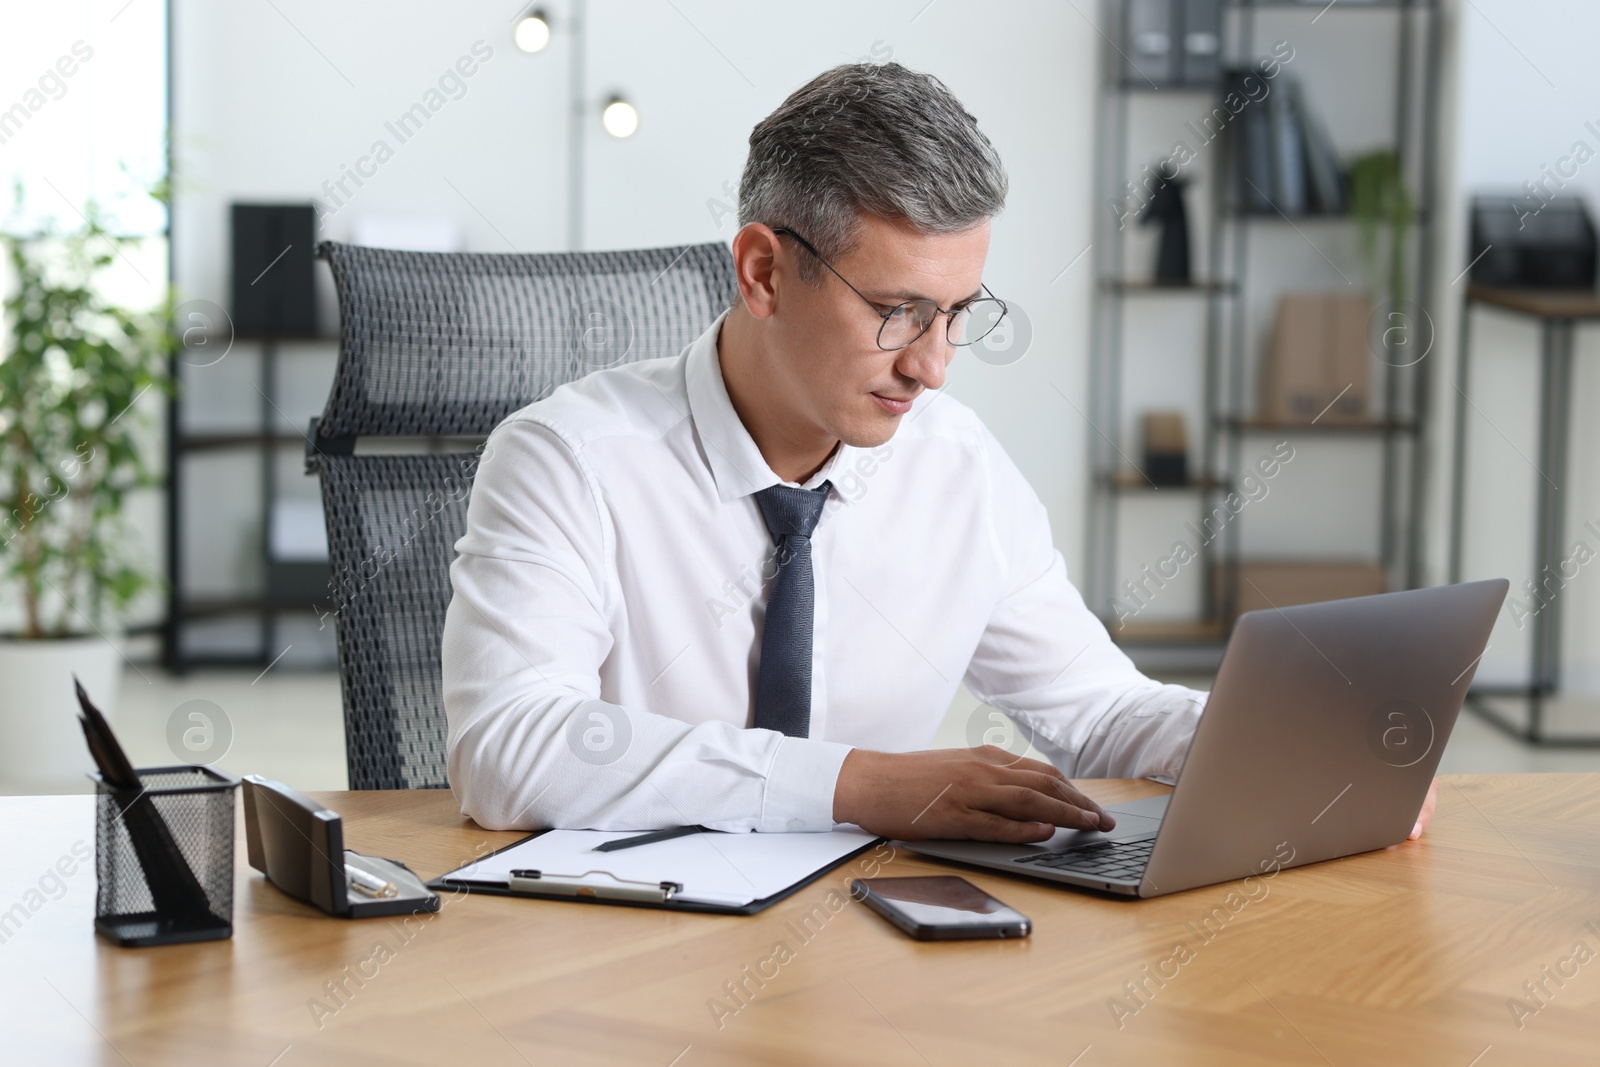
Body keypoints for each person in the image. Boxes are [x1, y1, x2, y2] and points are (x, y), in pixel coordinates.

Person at [441, 62, 1439, 843]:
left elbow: (1094, 710)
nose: (932, 366)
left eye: (959, 314)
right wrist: (862, 782)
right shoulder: (566, 458)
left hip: (873, 957)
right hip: (619, 972)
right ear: (761, 271)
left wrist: (1280, 747)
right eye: (896, 311)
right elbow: (507, 747)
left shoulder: (956, 464)